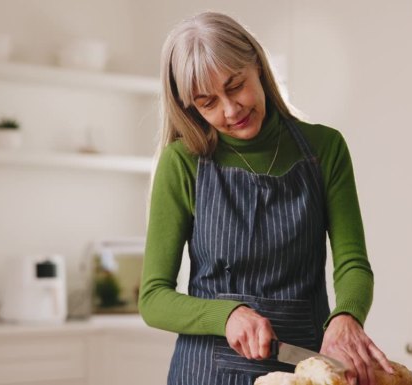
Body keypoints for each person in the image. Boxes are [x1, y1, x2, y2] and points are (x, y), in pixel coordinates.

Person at [139, 11, 394, 385]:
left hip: (306, 372)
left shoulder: (325, 148)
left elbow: (352, 263)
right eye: (208, 102)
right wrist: (225, 316)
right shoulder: (183, 162)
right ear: (190, 106)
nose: (230, 110)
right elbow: (153, 298)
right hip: (206, 373)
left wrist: (346, 317)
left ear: (257, 64)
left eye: (236, 85)